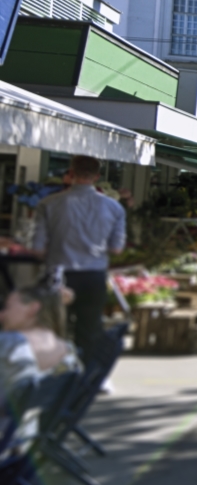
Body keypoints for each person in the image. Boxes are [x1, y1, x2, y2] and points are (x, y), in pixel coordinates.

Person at [32, 155, 126, 363]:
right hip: (94, 275)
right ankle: (86, 377)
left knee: (55, 328)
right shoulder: (114, 208)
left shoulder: (48, 204)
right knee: (90, 329)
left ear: (71, 173)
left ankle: (55, 375)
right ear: (97, 177)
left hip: (59, 275)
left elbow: (37, 248)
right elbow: (117, 248)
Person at [0, 284, 80, 402]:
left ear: (33, 308)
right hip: (33, 419)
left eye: (7, 307)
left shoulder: (12, 342)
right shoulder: (68, 351)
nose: (2, 315)